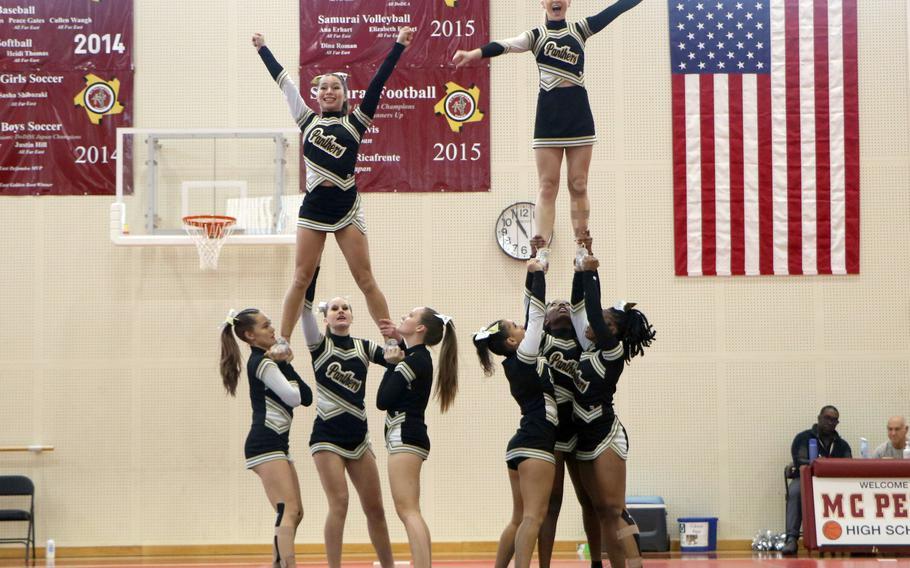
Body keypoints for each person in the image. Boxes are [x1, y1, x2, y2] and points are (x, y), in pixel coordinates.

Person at [252, 27, 414, 361]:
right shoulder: (306, 121)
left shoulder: (356, 122)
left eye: (335, 87)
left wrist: (398, 45)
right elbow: (285, 84)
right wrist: (263, 49)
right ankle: (282, 340)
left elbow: (378, 82)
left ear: (343, 94)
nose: (328, 91)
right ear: (317, 95)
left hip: (346, 207)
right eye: (323, 87)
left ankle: (391, 341)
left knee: (365, 278)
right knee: (300, 277)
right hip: (314, 207)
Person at [453, 0, 642, 266]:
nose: (556, 1)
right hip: (549, 117)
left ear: (568, 3)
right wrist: (475, 53)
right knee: (547, 184)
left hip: (578, 115)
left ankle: (582, 245)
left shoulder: (580, 29)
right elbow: (506, 45)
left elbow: (613, 11)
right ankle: (540, 248)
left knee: (578, 183)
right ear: (542, 3)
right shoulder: (536, 36)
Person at [298, 269, 395, 568]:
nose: (340, 311)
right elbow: (303, 311)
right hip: (326, 436)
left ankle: (388, 564)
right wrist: (310, 274)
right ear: (325, 318)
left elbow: (398, 356)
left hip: (359, 438)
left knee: (376, 508)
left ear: (352, 316)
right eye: (334, 309)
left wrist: (398, 341)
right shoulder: (319, 346)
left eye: (345, 308)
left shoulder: (364, 347)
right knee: (339, 503)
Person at [570, 252, 655, 568]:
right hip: (583, 436)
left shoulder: (612, 351)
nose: (595, 324)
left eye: (604, 322)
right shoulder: (587, 349)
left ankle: (635, 566)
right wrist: (579, 267)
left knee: (613, 508)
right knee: (598, 509)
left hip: (605, 434)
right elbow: (580, 307)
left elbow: (591, 309)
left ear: (615, 332)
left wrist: (593, 273)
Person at [472, 259, 558, 568]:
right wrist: (539, 275)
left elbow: (529, 314)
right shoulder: (525, 355)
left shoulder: (516, 360)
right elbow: (535, 316)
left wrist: (531, 271)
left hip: (520, 446)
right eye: (516, 328)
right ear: (511, 340)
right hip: (536, 442)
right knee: (534, 517)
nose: (522, 327)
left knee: (519, 518)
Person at [219, 308, 313, 568]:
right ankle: (285, 564)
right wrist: (282, 363)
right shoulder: (262, 362)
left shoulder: (270, 361)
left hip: (277, 444)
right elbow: (294, 397)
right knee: (288, 509)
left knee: (296, 512)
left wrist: (286, 363)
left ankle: (277, 563)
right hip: (265, 442)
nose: (273, 329)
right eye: (265, 326)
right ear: (250, 335)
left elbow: (306, 397)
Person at [376, 308, 459, 568]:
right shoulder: (416, 357)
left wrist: (391, 366)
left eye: (411, 316)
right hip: (409, 435)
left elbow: (383, 400)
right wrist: (398, 346)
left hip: (405, 435)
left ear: (420, 328)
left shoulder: (414, 360)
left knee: (408, 511)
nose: (404, 317)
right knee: (411, 511)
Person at [782, 405, 852, 555]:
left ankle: (851, 537)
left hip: (833, 484)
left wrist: (823, 464)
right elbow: (799, 461)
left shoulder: (842, 444)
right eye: (827, 418)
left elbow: (848, 465)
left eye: (834, 420)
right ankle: (791, 538)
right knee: (795, 491)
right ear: (819, 418)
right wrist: (822, 464)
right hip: (806, 480)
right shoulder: (803, 438)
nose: (830, 422)